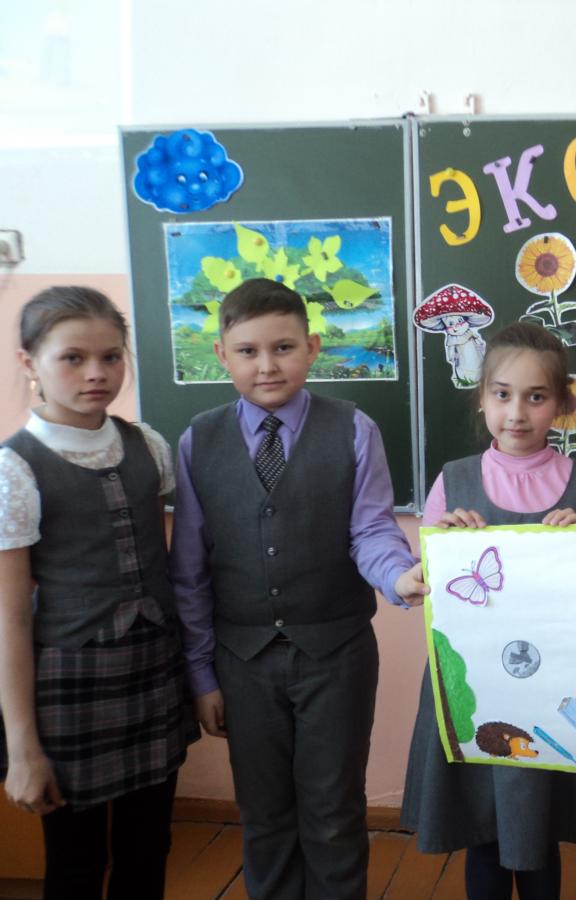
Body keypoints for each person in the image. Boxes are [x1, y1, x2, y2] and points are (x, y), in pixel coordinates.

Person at [169, 278, 422, 899]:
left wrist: (398, 575)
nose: (267, 365)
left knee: (334, 812)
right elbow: (190, 569)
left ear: (311, 347)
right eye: (247, 351)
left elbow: (371, 527)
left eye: (283, 347)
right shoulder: (199, 440)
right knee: (264, 814)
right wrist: (201, 675)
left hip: (336, 656)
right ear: (222, 355)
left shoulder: (354, 428)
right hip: (242, 662)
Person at [401, 321, 576, 900]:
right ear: (482, 398)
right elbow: (426, 583)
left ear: (563, 404)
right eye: (502, 394)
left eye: (536, 396)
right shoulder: (454, 482)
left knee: (541, 828)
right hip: (475, 687)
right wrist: (443, 546)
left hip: (556, 690)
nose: (517, 413)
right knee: (482, 828)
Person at [0, 286, 198, 898]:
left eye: (111, 357)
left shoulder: (146, 445)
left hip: (153, 671)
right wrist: (22, 750)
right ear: (30, 362)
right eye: (73, 358)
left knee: (149, 847)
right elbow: (11, 621)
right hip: (70, 683)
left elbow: (170, 565)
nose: (96, 373)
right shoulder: (15, 469)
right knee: (76, 862)